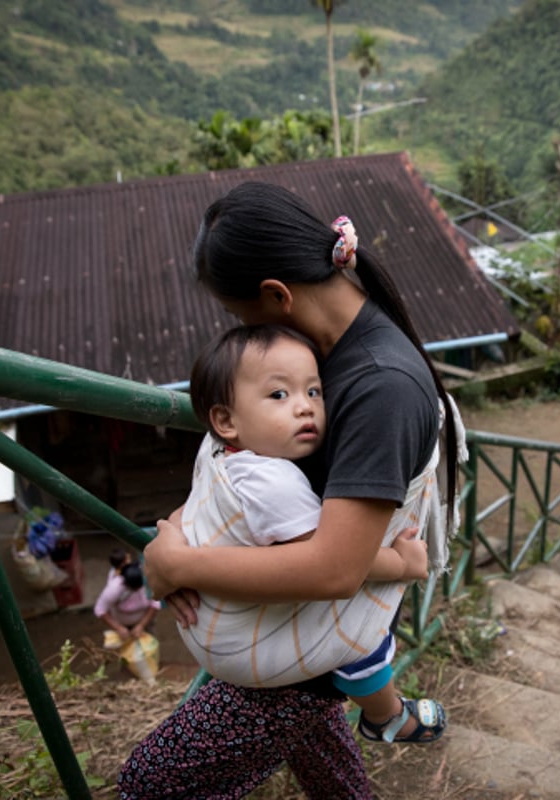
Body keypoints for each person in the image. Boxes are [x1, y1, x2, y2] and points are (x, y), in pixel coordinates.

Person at [118, 182, 464, 800]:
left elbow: (334, 570)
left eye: (241, 316)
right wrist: (186, 530)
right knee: (324, 756)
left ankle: (389, 718)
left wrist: (178, 562)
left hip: (305, 638)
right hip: (298, 630)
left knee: (151, 784)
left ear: (277, 295)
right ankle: (383, 733)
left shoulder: (376, 387)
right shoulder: (313, 357)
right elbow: (242, 464)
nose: (242, 334)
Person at [176, 323, 440, 738]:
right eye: (279, 395)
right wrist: (403, 564)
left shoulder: (219, 454)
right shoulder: (274, 482)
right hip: (240, 647)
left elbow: (193, 509)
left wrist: (170, 547)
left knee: (318, 740)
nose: (305, 407)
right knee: (359, 638)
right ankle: (385, 716)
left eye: (314, 392)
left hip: (205, 623)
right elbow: (335, 558)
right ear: (225, 420)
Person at [94, 561, 160, 648]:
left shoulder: (148, 583)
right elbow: (100, 610)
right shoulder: (114, 589)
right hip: (122, 624)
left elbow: (155, 605)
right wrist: (118, 628)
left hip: (145, 622)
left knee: (149, 649)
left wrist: (141, 625)